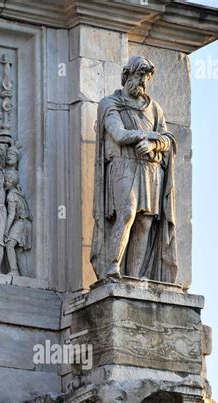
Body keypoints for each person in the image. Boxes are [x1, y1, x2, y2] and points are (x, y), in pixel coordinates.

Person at [91, 55, 177, 282]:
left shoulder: (154, 109)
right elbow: (118, 134)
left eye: (146, 77)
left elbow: (169, 140)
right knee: (127, 213)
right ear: (127, 75)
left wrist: (153, 143)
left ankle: (135, 277)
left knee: (145, 222)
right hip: (123, 165)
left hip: (150, 169)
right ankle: (112, 268)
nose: (143, 82)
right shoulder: (110, 104)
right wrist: (147, 135)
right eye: (140, 76)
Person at [3, 169, 32, 275]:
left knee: (9, 244)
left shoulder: (11, 196)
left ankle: (14, 270)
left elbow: (11, 215)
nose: (4, 183)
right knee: (18, 251)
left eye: (7, 180)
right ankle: (24, 274)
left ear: (12, 181)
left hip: (19, 223)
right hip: (27, 224)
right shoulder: (19, 193)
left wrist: (6, 230)